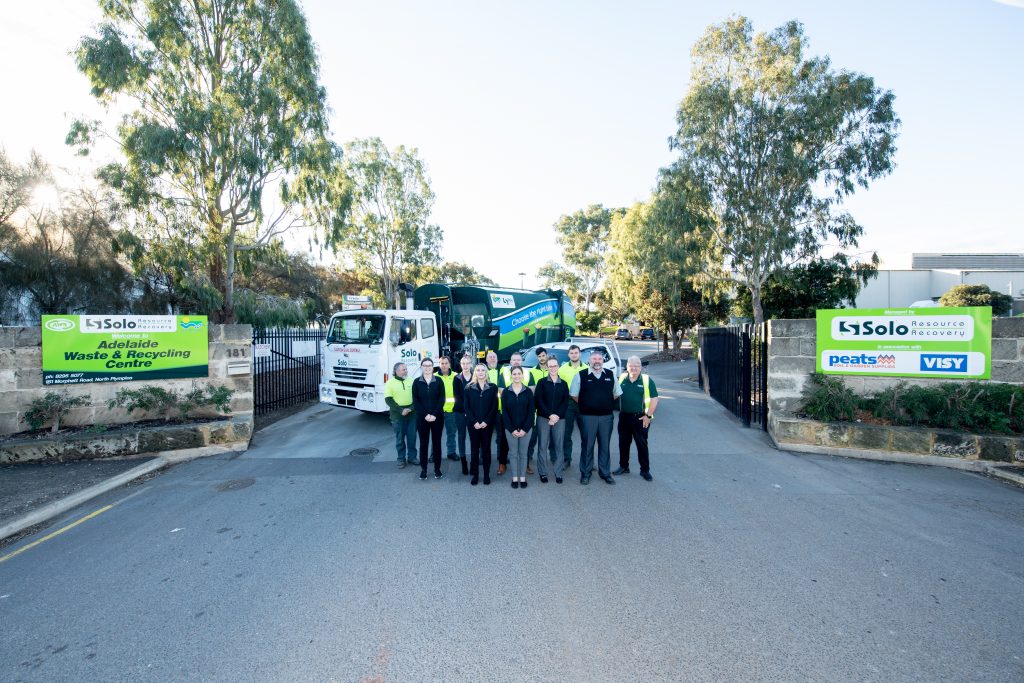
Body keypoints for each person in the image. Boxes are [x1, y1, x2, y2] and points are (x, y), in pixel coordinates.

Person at [569, 348, 622, 485]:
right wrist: (587, 403)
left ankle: (605, 473)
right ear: (589, 361)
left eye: (599, 359)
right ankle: (585, 473)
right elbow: (574, 394)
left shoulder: (610, 374)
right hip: (587, 417)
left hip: (606, 417)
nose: (597, 361)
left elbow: (617, 393)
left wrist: (605, 402)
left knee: (605, 446)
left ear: (603, 361)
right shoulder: (581, 375)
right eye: (594, 359)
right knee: (587, 445)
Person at [615, 355, 660, 481]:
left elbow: (654, 399)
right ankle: (624, 466)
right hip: (624, 417)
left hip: (641, 418)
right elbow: (614, 394)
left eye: (637, 365)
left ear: (641, 367)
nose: (634, 368)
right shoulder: (622, 378)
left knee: (642, 444)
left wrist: (648, 416)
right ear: (627, 366)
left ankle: (645, 470)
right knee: (623, 443)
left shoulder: (646, 380)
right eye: (631, 365)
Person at [534, 356, 570, 483]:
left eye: (555, 366)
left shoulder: (564, 383)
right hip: (544, 418)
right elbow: (538, 400)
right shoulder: (542, 382)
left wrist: (556, 416)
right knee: (542, 446)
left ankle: (558, 473)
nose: (553, 368)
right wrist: (550, 415)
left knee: (559, 446)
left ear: (558, 366)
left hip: (560, 419)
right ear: (547, 367)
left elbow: (565, 402)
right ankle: (543, 472)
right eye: (550, 366)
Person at [497, 352, 534, 474]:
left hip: (524, 413)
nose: (516, 362)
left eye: (518, 360)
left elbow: (531, 392)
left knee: (525, 441)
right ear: (510, 362)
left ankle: (526, 465)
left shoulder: (528, 373)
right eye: (514, 360)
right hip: (508, 413)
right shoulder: (504, 373)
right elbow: (502, 392)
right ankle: (502, 463)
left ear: (522, 361)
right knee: (504, 440)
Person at [464, 363, 498, 486]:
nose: (480, 372)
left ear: (486, 372)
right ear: (475, 372)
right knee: (474, 450)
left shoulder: (492, 387)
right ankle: (475, 475)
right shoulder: (469, 387)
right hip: (473, 425)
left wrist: (486, 421)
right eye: (478, 370)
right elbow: (466, 407)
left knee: (486, 449)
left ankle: (486, 475)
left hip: (487, 425)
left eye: (483, 370)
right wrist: (474, 422)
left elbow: (494, 406)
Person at [412, 357, 445, 480]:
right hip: (422, 418)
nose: (427, 368)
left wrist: (434, 414)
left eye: (429, 365)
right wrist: (425, 415)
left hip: (437, 418)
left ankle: (437, 469)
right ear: (421, 367)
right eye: (425, 365)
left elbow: (442, 399)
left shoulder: (439, 381)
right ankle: (424, 470)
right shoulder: (416, 382)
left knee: (437, 444)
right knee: (423, 444)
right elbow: (416, 401)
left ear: (433, 367)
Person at [558, 344, 587, 468]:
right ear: (568, 355)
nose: (574, 355)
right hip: (568, 403)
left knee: (586, 434)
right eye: (571, 353)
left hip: (583, 403)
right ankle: (566, 459)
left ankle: (587, 460)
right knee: (566, 434)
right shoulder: (562, 369)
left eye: (576, 352)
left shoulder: (587, 368)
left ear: (580, 354)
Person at [526, 347, 556, 466]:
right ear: (537, 358)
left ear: (547, 355)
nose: (542, 358)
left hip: (551, 408)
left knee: (552, 435)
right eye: (539, 356)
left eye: (543, 355)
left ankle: (554, 458)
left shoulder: (553, 370)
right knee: (533, 435)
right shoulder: (532, 371)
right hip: (536, 408)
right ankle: (528, 458)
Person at [384, 362, 416, 468]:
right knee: (400, 439)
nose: (406, 371)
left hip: (412, 415)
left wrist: (411, 408)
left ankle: (412, 457)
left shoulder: (411, 380)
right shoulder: (390, 383)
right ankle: (401, 459)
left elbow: (417, 397)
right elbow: (388, 400)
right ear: (396, 371)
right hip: (397, 416)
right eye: (403, 370)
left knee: (412, 438)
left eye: (406, 369)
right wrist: (401, 410)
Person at [452, 354, 474, 475]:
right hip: (460, 412)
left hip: (472, 413)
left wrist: (469, 411)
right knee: (461, 436)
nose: (465, 366)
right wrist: (465, 411)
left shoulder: (475, 377)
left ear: (471, 364)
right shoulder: (457, 378)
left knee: (473, 438)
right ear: (461, 365)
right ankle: (464, 462)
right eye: (463, 363)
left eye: (467, 363)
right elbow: (457, 397)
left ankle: (473, 462)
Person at [485, 350, 506, 473]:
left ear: (497, 359)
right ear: (486, 360)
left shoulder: (504, 370)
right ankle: (483, 456)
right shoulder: (482, 370)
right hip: (487, 410)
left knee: (501, 435)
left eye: (494, 357)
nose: (492, 359)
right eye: (490, 357)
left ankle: (500, 457)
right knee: (484, 435)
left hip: (500, 409)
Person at [437, 356, 459, 462]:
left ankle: (451, 452)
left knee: (451, 433)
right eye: (442, 363)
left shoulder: (456, 376)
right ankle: (434, 454)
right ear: (439, 364)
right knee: (436, 435)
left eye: (446, 363)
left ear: (449, 364)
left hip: (451, 411)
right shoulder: (434, 376)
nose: (444, 365)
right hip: (438, 411)